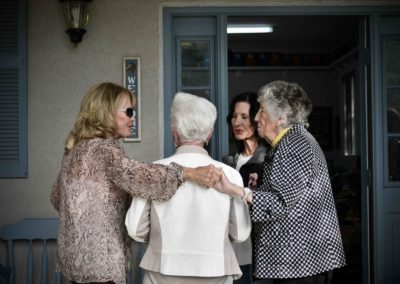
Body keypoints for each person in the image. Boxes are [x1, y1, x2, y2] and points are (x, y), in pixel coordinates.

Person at [50, 83, 222, 284]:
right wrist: (189, 172)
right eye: (129, 111)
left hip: (75, 260)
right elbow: (139, 176)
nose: (133, 118)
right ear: (106, 112)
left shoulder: (74, 151)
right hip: (100, 263)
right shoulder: (105, 149)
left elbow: (56, 196)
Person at [215, 81, 346, 284]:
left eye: (262, 111)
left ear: (281, 117)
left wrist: (234, 189)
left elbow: (280, 202)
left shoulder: (293, 145)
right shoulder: (290, 142)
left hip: (300, 262)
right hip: (299, 261)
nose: (256, 117)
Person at [125, 92, 251, 284]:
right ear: (209, 135)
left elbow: (135, 230)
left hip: (163, 270)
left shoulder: (154, 171)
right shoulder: (229, 174)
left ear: (174, 133)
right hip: (216, 271)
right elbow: (240, 234)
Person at [223, 92, 268, 284]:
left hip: (261, 251)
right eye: (234, 116)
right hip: (233, 250)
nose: (237, 122)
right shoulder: (228, 162)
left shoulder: (268, 160)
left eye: (244, 116)